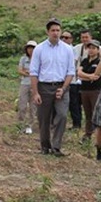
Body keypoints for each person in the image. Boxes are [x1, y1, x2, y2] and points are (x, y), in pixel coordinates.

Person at [29, 18, 75, 156]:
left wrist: (64, 88)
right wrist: (35, 92)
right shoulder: (39, 49)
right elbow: (33, 72)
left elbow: (70, 71)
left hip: (61, 85)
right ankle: (45, 146)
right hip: (44, 86)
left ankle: (56, 146)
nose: (56, 33)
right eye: (53, 30)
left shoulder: (67, 49)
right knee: (44, 118)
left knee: (61, 115)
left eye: (58, 30)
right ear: (48, 32)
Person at [77, 39, 101, 140]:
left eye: (94, 48)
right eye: (89, 48)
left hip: (95, 90)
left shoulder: (100, 62)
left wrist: (85, 77)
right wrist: (89, 76)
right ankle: (88, 133)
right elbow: (79, 73)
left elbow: (97, 75)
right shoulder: (84, 61)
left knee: (95, 112)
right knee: (87, 113)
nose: (91, 50)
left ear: (98, 50)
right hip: (84, 89)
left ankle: (98, 133)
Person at [65, 30, 84, 130]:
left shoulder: (74, 49)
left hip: (72, 80)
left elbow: (73, 64)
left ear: (71, 39)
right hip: (59, 80)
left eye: (67, 37)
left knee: (74, 103)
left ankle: (77, 124)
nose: (64, 39)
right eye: (62, 37)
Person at [18, 41, 37, 134]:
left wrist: (27, 72)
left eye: (33, 48)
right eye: (29, 48)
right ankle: (20, 125)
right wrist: (28, 72)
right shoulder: (23, 58)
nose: (31, 50)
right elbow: (20, 70)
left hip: (35, 84)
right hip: (24, 83)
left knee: (33, 106)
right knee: (22, 105)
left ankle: (30, 125)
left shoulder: (38, 59)